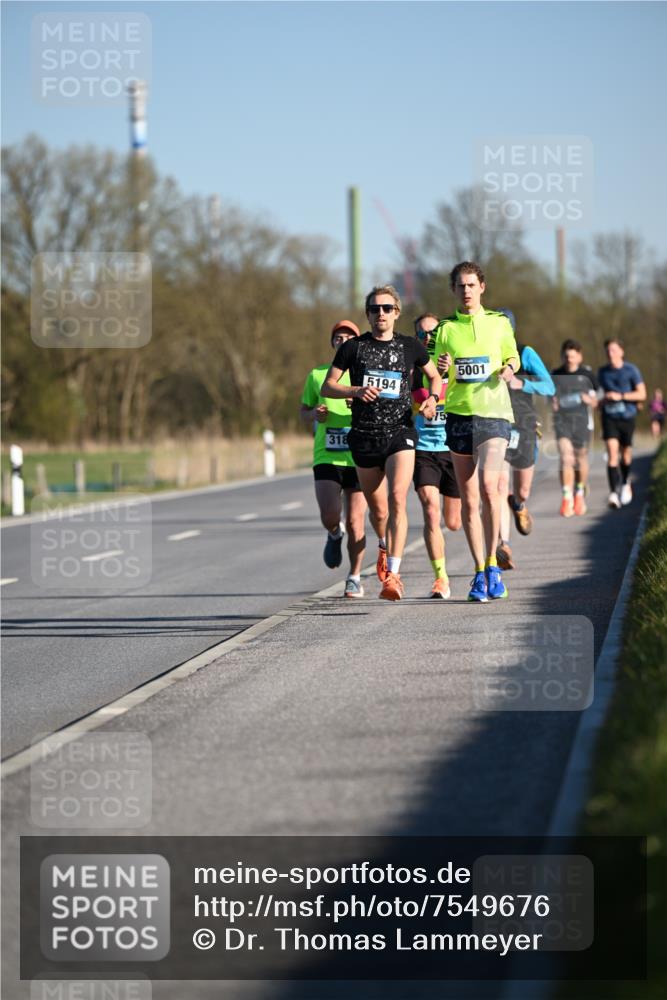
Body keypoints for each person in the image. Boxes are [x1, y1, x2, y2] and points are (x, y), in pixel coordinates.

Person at [322, 285, 442, 601]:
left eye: (387, 308)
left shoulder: (410, 346)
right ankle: (384, 546)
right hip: (364, 436)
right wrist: (355, 391)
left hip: (400, 432)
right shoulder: (353, 348)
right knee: (379, 514)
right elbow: (328, 386)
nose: (381, 314)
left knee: (398, 498)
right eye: (375, 309)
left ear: (396, 312)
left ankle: (394, 576)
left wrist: (431, 399)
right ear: (368, 314)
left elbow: (435, 377)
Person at [431, 262, 519, 602]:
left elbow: (513, 355)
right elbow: (438, 373)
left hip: (494, 414)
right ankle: (480, 571)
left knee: (489, 487)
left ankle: (495, 564)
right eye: (460, 286)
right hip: (458, 415)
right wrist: (440, 370)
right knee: (468, 501)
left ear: (482, 287)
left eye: (471, 285)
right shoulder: (445, 329)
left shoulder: (498, 323)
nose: (466, 291)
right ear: (454, 290)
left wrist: (509, 367)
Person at [300, 320, 368, 597]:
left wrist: (361, 405)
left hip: (359, 454)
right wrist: (314, 415)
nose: (342, 341)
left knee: (356, 521)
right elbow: (303, 411)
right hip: (327, 454)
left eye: (348, 337)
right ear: (332, 343)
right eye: (337, 337)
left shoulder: (363, 374)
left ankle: (354, 576)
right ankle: (333, 533)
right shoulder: (317, 375)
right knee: (330, 515)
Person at [494, 309, 555, 570]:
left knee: (521, 490)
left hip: (525, 425)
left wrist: (522, 384)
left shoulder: (525, 352)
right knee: (498, 484)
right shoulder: (486, 353)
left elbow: (549, 386)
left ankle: (518, 504)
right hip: (496, 425)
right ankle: (502, 544)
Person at [412, 314, 462, 598]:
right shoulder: (412, 370)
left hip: (453, 449)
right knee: (431, 510)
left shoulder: (454, 364)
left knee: (453, 522)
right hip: (424, 450)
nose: (428, 338)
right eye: (422, 334)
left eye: (433, 332)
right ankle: (441, 578)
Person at [550, 340, 598, 517]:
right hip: (562, 422)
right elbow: (548, 394)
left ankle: (579, 493)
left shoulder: (587, 375)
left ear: (579, 356)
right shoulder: (556, 374)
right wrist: (552, 402)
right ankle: (566, 498)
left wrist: (591, 400)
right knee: (566, 458)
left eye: (573, 356)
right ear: (563, 356)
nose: (569, 359)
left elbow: (598, 397)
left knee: (581, 459)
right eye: (567, 356)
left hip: (583, 422)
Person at [597, 339, 646, 507]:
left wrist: (621, 396)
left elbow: (642, 394)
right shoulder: (602, 372)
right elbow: (597, 394)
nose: (610, 353)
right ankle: (613, 494)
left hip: (627, 417)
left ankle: (625, 483)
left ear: (621, 352)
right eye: (608, 351)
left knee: (625, 455)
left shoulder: (631, 370)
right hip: (609, 417)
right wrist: (601, 400)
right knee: (612, 454)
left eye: (613, 350)